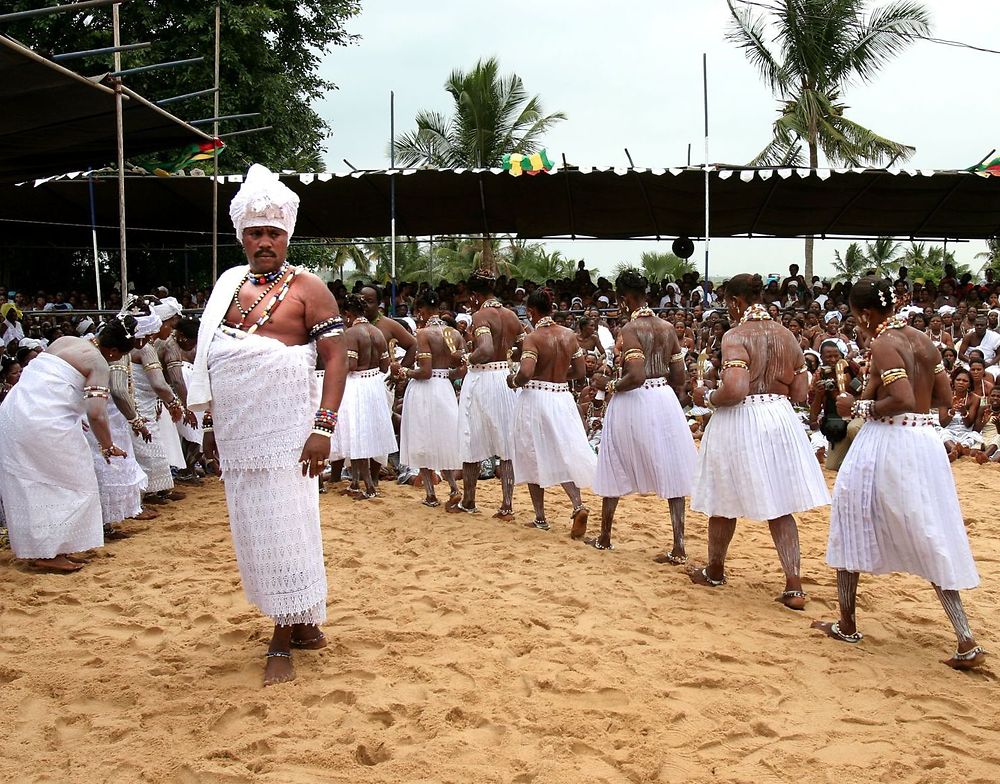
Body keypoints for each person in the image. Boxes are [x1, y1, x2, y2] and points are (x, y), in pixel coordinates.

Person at [188, 164, 348, 687]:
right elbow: (212, 359)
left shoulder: (308, 288)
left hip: (289, 437)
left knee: (287, 527)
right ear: (242, 237)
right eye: (255, 233)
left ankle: (281, 638)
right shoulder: (228, 288)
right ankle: (302, 624)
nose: (264, 242)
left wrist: (323, 427)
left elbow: (335, 356)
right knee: (257, 532)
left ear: (287, 237)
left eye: (273, 233)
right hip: (239, 438)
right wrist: (211, 425)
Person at [815, 277, 985, 669]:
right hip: (925, 441)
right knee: (930, 530)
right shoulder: (922, 340)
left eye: (857, 316)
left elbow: (902, 399)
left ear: (865, 312)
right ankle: (964, 637)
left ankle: (847, 623)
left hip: (888, 443)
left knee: (850, 516)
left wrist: (859, 407)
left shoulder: (883, 341)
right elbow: (942, 399)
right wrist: (875, 388)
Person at [689, 273, 830, 610]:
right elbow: (799, 392)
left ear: (737, 302)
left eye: (728, 304)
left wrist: (707, 395)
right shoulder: (787, 336)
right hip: (779, 417)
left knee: (724, 497)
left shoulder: (735, 336)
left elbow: (735, 390)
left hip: (741, 419)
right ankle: (794, 584)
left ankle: (715, 570)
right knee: (780, 504)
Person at [0, 316, 134, 572]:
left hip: (16, 412)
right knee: (73, 481)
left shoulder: (66, 340)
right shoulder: (98, 363)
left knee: (38, 483)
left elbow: (51, 385)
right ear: (113, 350)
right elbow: (96, 414)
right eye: (117, 357)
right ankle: (48, 553)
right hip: (41, 421)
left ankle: (51, 549)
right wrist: (107, 445)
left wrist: (73, 416)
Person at [589, 269, 696, 555]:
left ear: (624, 298)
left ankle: (605, 537)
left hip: (634, 400)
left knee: (614, 459)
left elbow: (635, 376)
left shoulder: (629, 329)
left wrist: (608, 384)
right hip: (663, 398)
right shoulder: (667, 327)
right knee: (671, 467)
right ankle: (679, 546)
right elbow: (679, 376)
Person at [508, 289, 595, 533]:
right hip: (562, 397)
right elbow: (580, 372)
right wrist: (556, 377)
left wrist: (513, 381)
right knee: (563, 451)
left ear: (533, 312)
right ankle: (578, 504)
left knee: (532, 453)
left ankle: (540, 517)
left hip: (536, 398)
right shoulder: (569, 336)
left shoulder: (533, 338)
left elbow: (525, 373)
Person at [450, 271, 523, 519]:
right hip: (506, 378)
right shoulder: (512, 315)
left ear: (474, 295)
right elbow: (524, 345)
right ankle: (506, 505)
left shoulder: (480, 315)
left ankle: (469, 501)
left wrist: (464, 357)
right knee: (506, 443)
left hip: (482, 379)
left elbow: (485, 349)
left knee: (471, 439)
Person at [396, 290, 466, 508]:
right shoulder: (454, 333)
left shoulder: (424, 334)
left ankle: (431, 494)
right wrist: (446, 375)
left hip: (425, 390)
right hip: (444, 387)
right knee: (443, 437)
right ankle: (453, 487)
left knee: (424, 438)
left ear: (422, 310)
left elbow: (425, 371)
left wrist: (403, 372)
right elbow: (463, 368)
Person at [329, 295, 397, 499]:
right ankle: (357, 483)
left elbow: (350, 365)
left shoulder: (351, 333)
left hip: (357, 386)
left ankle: (367, 486)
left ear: (348, 315)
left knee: (357, 435)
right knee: (365, 435)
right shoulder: (377, 332)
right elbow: (385, 366)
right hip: (375, 385)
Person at [808, 339, 863, 471]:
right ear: (821, 358)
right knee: (832, 466)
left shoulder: (851, 368)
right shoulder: (818, 376)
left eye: (836, 356)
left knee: (853, 428)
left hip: (857, 416)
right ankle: (851, 461)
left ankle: (864, 457)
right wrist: (819, 394)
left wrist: (848, 392)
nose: (833, 360)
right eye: (828, 357)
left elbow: (863, 391)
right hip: (837, 422)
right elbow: (813, 416)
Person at [939, 368, 983, 460]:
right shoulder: (945, 396)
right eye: (958, 380)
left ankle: (956, 452)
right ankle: (955, 450)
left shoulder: (974, 398)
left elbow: (969, 424)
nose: (961, 382)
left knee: (974, 437)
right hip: (949, 429)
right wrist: (952, 411)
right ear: (953, 381)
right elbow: (943, 424)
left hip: (966, 431)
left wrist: (963, 412)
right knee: (944, 434)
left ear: (969, 384)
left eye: (965, 381)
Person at [975, 385, 1000, 463]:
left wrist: (997, 424)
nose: (995, 398)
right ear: (989, 397)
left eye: (999, 396)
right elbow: (976, 430)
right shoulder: (983, 409)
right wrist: (984, 421)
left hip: (996, 438)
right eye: (993, 395)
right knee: (973, 452)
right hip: (984, 436)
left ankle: (985, 455)